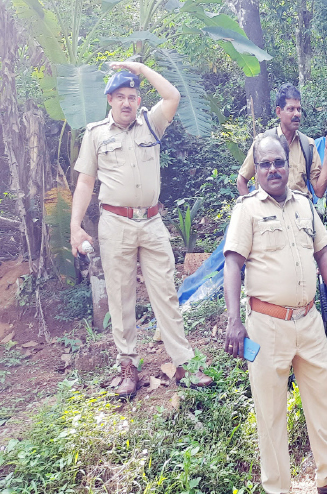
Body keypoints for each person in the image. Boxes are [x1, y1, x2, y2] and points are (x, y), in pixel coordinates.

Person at [223, 134, 327, 493]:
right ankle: (278, 489)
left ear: (288, 165)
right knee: (271, 414)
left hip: (310, 319)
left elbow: (323, 254)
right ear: (256, 169)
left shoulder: (304, 205)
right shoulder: (247, 211)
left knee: (324, 394)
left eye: (279, 162)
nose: (273, 169)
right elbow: (232, 265)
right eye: (265, 163)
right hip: (267, 326)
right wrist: (233, 321)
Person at [69, 65, 213, 399]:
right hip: (115, 222)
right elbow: (85, 182)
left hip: (151, 222)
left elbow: (173, 96)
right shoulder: (95, 134)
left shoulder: (152, 122)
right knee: (120, 297)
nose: (127, 103)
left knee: (165, 292)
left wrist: (140, 69)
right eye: (120, 97)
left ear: (138, 100)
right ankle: (128, 368)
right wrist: (75, 227)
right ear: (109, 99)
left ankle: (184, 365)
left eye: (132, 97)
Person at [236, 83, 327, 198]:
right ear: (278, 112)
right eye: (291, 109)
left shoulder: (308, 145)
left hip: (300, 213)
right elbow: (241, 180)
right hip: (270, 213)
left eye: (299, 109)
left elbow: (319, 191)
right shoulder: (262, 143)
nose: (297, 114)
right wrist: (253, 209)